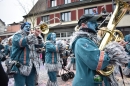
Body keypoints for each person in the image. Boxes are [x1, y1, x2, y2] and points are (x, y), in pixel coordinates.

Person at [70, 14, 129, 86]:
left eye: (96, 22)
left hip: (97, 81)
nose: (96, 24)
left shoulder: (92, 40)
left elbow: (103, 52)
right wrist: (115, 48)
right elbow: (97, 62)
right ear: (83, 25)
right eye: (92, 22)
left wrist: (117, 45)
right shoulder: (81, 41)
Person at [11, 22, 44, 86]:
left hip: (32, 65)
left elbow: (40, 45)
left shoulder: (31, 35)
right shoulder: (17, 35)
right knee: (19, 84)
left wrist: (38, 36)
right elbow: (22, 42)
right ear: (22, 27)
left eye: (29, 26)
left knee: (31, 84)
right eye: (26, 26)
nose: (28, 27)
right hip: (20, 66)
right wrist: (33, 35)